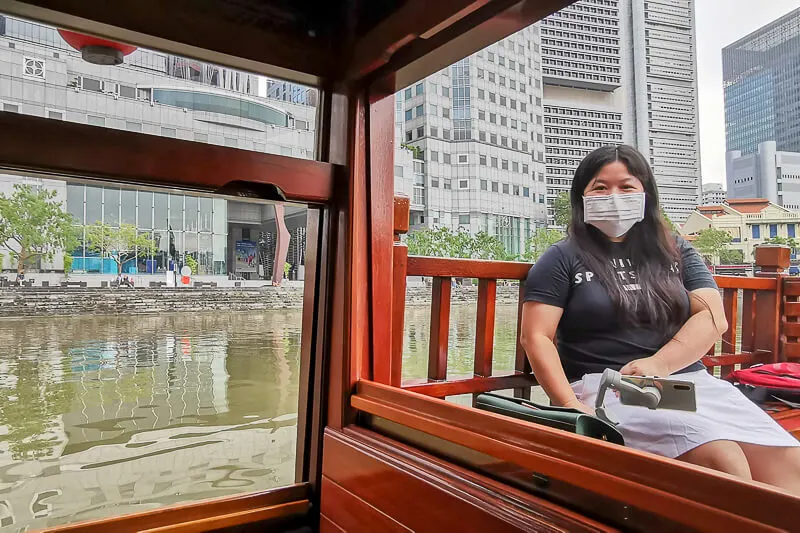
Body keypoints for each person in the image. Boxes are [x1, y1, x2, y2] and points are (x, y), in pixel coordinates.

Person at [520, 144, 800, 495]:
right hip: (606, 387)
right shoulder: (562, 258)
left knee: (790, 465)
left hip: (684, 385)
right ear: (581, 197)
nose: (614, 196)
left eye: (626, 186)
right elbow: (536, 337)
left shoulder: (676, 249)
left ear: (646, 195)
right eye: (600, 187)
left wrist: (659, 363)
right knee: (723, 459)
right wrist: (569, 406)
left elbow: (712, 317)